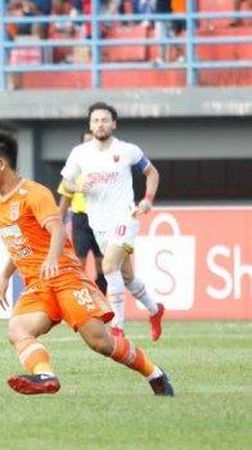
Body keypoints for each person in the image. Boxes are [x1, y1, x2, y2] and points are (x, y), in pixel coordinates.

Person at [0, 131, 173, 396]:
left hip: (65, 276)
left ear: (1, 163)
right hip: (38, 285)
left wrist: (52, 260)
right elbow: (21, 242)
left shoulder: (34, 193)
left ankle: (154, 373)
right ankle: (44, 376)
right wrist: (5, 275)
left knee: (100, 342)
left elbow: (57, 228)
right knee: (17, 328)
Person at [60, 102, 165, 340]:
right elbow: (66, 183)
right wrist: (77, 186)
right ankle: (155, 310)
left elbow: (152, 173)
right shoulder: (80, 153)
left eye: (105, 120)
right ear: (90, 125)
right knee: (126, 276)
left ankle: (118, 327)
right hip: (98, 224)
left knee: (108, 267)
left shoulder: (127, 150)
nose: (100, 124)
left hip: (125, 218)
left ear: (113, 124)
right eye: (96, 120)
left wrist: (147, 200)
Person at [56, 130, 106, 295]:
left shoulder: (105, 168)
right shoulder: (75, 168)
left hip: (101, 219)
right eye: (86, 142)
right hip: (81, 220)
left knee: (103, 264)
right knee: (80, 263)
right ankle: (81, 302)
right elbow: (65, 199)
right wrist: (57, 225)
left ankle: (101, 302)